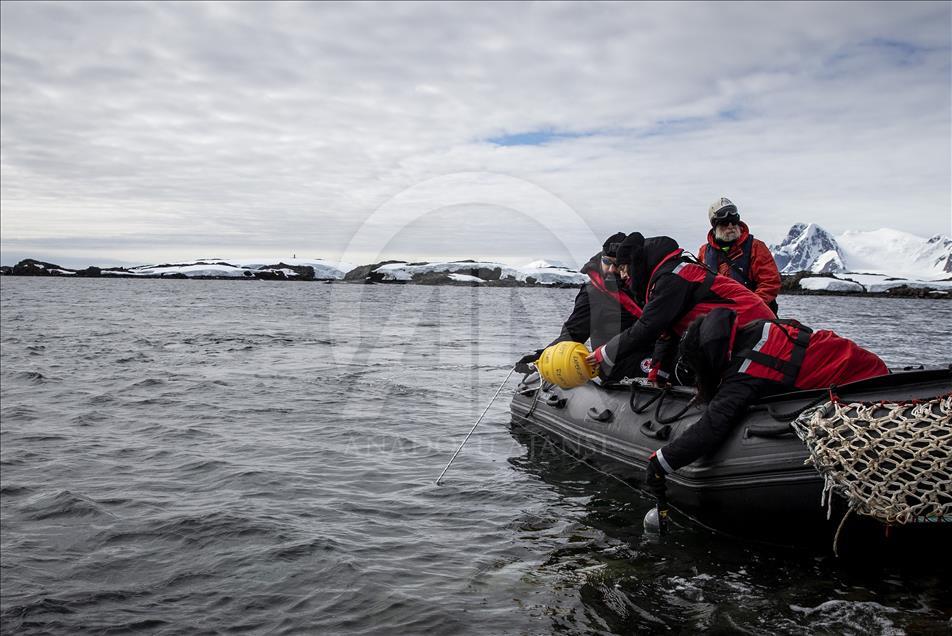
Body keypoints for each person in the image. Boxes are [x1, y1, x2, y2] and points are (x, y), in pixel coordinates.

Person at [643, 308, 889, 496]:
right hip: (869, 367)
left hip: (863, 387)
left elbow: (713, 426)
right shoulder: (755, 329)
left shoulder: (745, 371)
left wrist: (662, 462)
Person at [585, 233, 775, 383]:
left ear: (635, 264)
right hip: (738, 331)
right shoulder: (667, 275)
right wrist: (658, 376)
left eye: (624, 268)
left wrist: (604, 353)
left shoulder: (671, 278)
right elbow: (667, 333)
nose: (623, 276)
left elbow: (647, 327)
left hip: (754, 331)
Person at [515, 232, 651, 382]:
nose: (611, 269)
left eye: (618, 264)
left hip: (651, 351)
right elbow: (573, 333)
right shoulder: (593, 294)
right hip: (617, 362)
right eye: (607, 261)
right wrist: (541, 357)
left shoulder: (644, 286)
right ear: (601, 259)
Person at [698, 197, 781, 314]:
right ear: (715, 225)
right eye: (725, 222)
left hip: (753, 314)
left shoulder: (756, 247)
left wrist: (749, 308)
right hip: (716, 315)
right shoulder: (704, 252)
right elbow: (698, 285)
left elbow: (770, 283)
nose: (731, 226)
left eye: (734, 220)